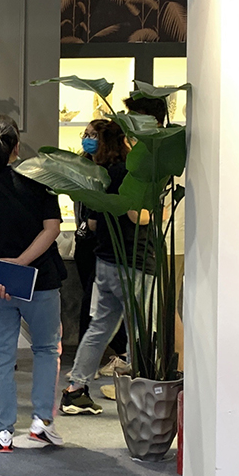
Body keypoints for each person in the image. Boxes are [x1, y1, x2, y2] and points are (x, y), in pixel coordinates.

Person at [0, 120, 67, 452]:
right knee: (46, 349)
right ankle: (42, 422)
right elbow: (52, 229)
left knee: (0, 357)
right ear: (16, 148)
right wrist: (21, 263)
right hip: (42, 280)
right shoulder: (40, 183)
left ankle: (3, 430)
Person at [61, 119, 154, 415]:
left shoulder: (98, 177)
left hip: (105, 261)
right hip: (134, 262)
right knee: (140, 331)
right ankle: (141, 396)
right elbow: (139, 216)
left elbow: (92, 223)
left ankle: (76, 389)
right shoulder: (131, 175)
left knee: (100, 327)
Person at [73, 121, 128, 375]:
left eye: (94, 135)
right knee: (101, 309)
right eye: (86, 134)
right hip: (91, 246)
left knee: (96, 309)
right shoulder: (86, 168)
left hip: (105, 248)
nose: (88, 139)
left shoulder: (111, 174)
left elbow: (96, 219)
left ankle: (85, 371)